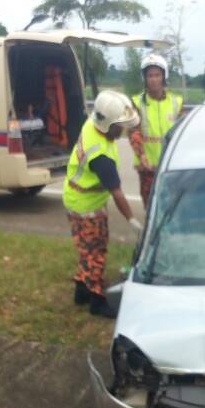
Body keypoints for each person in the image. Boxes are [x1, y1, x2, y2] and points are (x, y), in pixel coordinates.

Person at [62, 89, 143, 318]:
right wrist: (132, 220)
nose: (123, 129)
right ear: (108, 124)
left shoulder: (94, 122)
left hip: (77, 198)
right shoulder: (101, 157)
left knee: (86, 249)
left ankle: (81, 290)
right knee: (96, 251)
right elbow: (117, 194)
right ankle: (97, 301)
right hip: (86, 207)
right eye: (120, 126)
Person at [129, 52, 183, 207]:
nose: (153, 79)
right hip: (147, 168)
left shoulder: (176, 102)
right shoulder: (137, 103)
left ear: (164, 77)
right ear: (144, 78)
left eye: (157, 75)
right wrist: (141, 154)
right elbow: (134, 132)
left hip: (170, 165)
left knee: (170, 205)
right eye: (150, 75)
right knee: (151, 206)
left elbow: (182, 133)